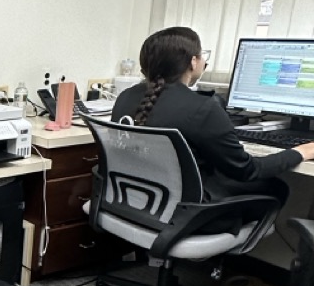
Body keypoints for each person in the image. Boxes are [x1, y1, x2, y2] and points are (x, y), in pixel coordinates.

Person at [112, 26, 314, 197]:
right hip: (183, 213)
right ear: (193, 61)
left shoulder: (125, 97)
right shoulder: (203, 108)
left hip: (138, 201)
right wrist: (301, 151)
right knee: (277, 188)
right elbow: (247, 170)